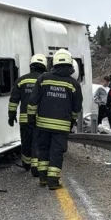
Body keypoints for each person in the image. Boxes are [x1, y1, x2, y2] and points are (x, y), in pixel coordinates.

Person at [27, 48, 83, 190]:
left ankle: (43, 179)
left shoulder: (43, 79)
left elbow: (32, 101)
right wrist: (71, 122)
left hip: (42, 124)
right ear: (70, 65)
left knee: (43, 149)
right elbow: (77, 108)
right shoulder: (73, 84)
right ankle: (53, 182)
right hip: (61, 126)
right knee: (56, 152)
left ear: (53, 63)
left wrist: (31, 118)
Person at [9, 53, 48, 173]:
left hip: (25, 119)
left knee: (26, 142)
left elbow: (13, 100)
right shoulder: (47, 81)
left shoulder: (21, 80)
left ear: (31, 66)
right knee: (39, 142)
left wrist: (11, 116)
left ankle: (26, 164)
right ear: (44, 67)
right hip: (41, 120)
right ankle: (37, 166)